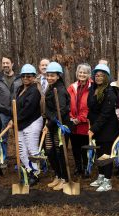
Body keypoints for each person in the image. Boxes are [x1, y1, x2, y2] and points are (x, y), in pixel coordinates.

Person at [88, 64, 119, 192]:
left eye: (101, 75)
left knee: (106, 155)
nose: (98, 77)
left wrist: (93, 128)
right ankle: (101, 176)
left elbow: (105, 114)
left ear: (106, 77)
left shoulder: (110, 92)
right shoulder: (93, 89)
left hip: (107, 128)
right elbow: (91, 108)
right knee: (99, 153)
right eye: (96, 75)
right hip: (97, 128)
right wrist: (90, 122)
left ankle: (107, 180)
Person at [12, 64, 43, 186]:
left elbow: (28, 109)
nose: (26, 78)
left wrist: (14, 120)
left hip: (32, 122)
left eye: (29, 76)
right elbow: (16, 107)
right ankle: (29, 170)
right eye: (23, 76)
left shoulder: (35, 90)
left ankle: (35, 173)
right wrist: (13, 119)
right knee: (22, 150)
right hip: (20, 122)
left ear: (34, 77)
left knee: (31, 149)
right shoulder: (20, 89)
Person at [43, 62, 71, 190]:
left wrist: (49, 123)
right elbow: (49, 110)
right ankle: (58, 175)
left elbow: (62, 110)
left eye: (52, 75)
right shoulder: (50, 88)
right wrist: (47, 122)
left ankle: (65, 179)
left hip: (60, 126)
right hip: (51, 124)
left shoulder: (59, 90)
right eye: (48, 75)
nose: (49, 77)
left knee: (60, 153)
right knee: (50, 151)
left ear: (58, 76)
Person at [0, 56, 22, 168]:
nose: (5, 65)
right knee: (2, 137)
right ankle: (2, 159)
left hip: (17, 112)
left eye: (7, 63)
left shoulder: (19, 78)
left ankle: (22, 159)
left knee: (19, 137)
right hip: (3, 112)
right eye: (3, 63)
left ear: (12, 64)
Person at [67, 63, 92, 177]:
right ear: (77, 73)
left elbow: (91, 107)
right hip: (73, 124)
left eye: (84, 72)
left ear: (88, 74)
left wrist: (80, 119)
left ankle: (87, 167)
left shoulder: (92, 87)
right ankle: (78, 167)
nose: (82, 74)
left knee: (85, 148)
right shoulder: (72, 87)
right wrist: (71, 118)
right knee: (75, 147)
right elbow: (66, 103)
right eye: (80, 72)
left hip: (85, 124)